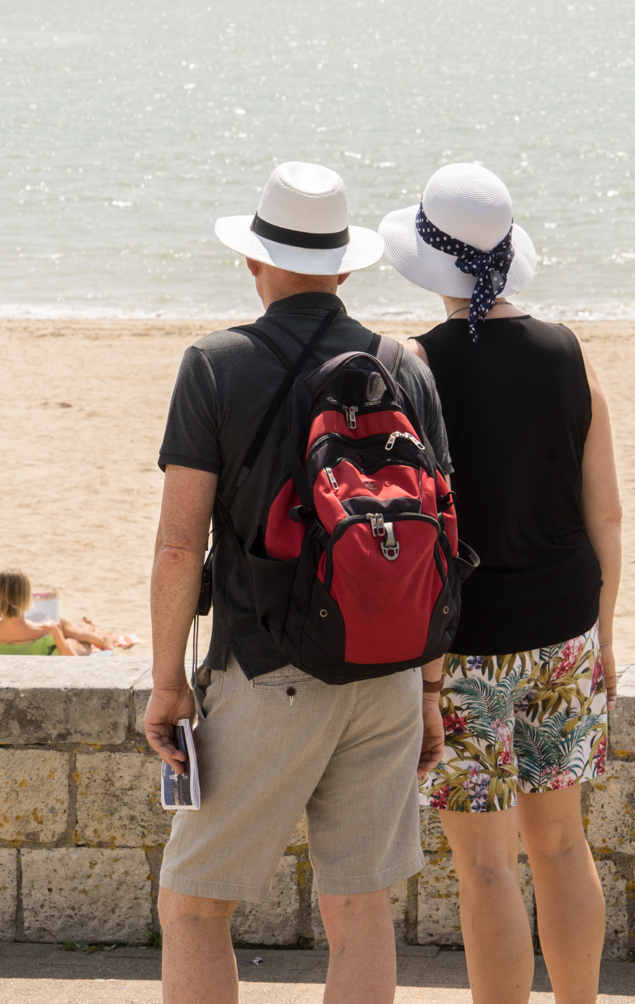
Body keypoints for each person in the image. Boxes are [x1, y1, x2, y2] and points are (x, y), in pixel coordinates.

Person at [146, 162, 453, 1004]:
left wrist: (168, 684)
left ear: (254, 258)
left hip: (267, 667)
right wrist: (429, 690)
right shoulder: (406, 366)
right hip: (387, 675)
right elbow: (441, 542)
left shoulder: (215, 364)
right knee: (360, 907)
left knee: (194, 905)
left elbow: (179, 545)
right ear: (345, 269)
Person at [378, 163, 619, 1004]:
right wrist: (607, 636)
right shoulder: (570, 352)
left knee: (485, 867)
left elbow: (414, 539)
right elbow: (607, 512)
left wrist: (418, 675)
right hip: (565, 631)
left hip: (464, 652)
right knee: (563, 846)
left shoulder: (414, 365)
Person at [0, 569, 114, 656]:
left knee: (59, 623)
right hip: (42, 669)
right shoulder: (48, 629)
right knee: (71, 641)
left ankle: (87, 632)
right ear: (26, 597)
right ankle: (93, 635)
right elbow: (71, 662)